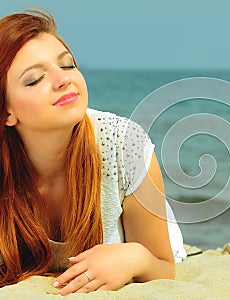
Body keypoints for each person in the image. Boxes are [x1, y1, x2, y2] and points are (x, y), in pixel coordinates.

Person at [0, 9, 186, 295]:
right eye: (35, 79)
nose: (62, 80)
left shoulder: (124, 145)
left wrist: (134, 256)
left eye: (67, 65)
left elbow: (163, 266)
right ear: (6, 112)